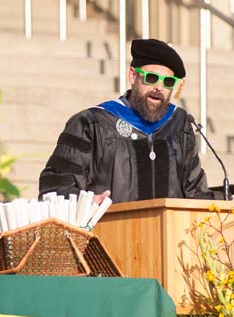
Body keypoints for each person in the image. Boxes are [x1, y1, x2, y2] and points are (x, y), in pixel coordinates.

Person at [38, 38, 213, 204]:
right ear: (133, 76)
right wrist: (85, 202)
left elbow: (196, 191)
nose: (159, 87)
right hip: (107, 233)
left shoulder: (178, 125)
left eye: (168, 82)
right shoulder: (92, 123)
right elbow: (54, 187)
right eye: (151, 78)